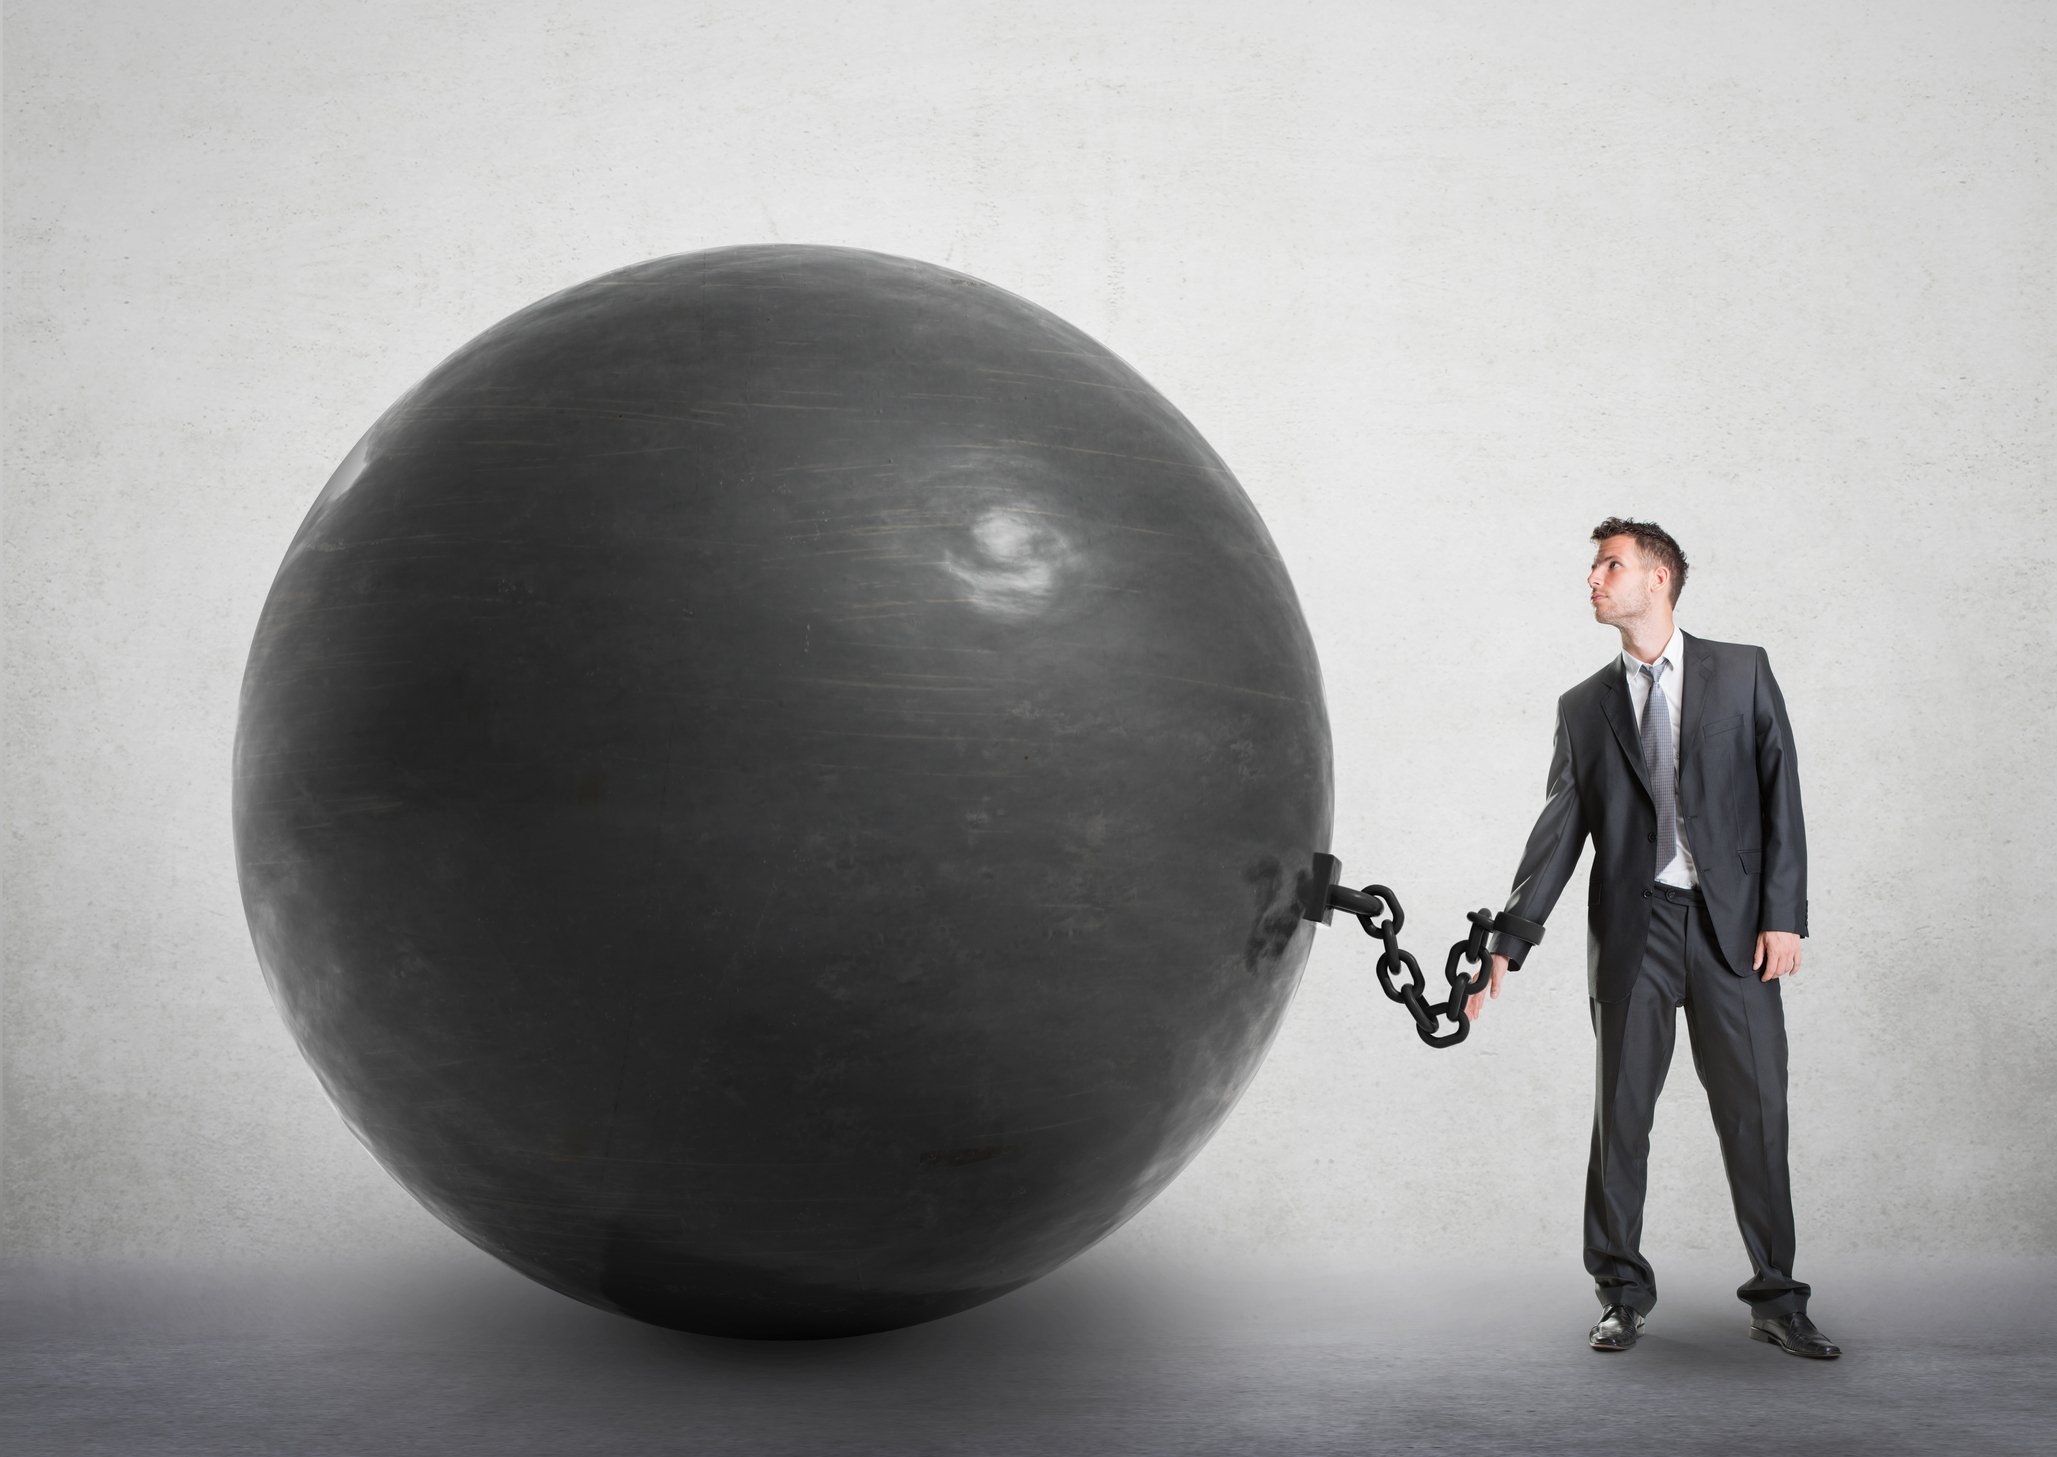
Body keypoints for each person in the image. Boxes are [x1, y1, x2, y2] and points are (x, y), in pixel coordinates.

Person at [1469, 517, 1840, 1359]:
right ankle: (1620, 1293)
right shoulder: (1582, 707)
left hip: (1734, 933)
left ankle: (1777, 1298)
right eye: (1594, 566)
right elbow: (1557, 832)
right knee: (1621, 1116)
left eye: (1610, 565)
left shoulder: (1742, 671)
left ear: (1658, 580)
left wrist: (1784, 914)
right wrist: (1509, 937)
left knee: (1756, 1114)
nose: (1592, 580)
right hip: (1635, 933)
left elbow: (1782, 794)